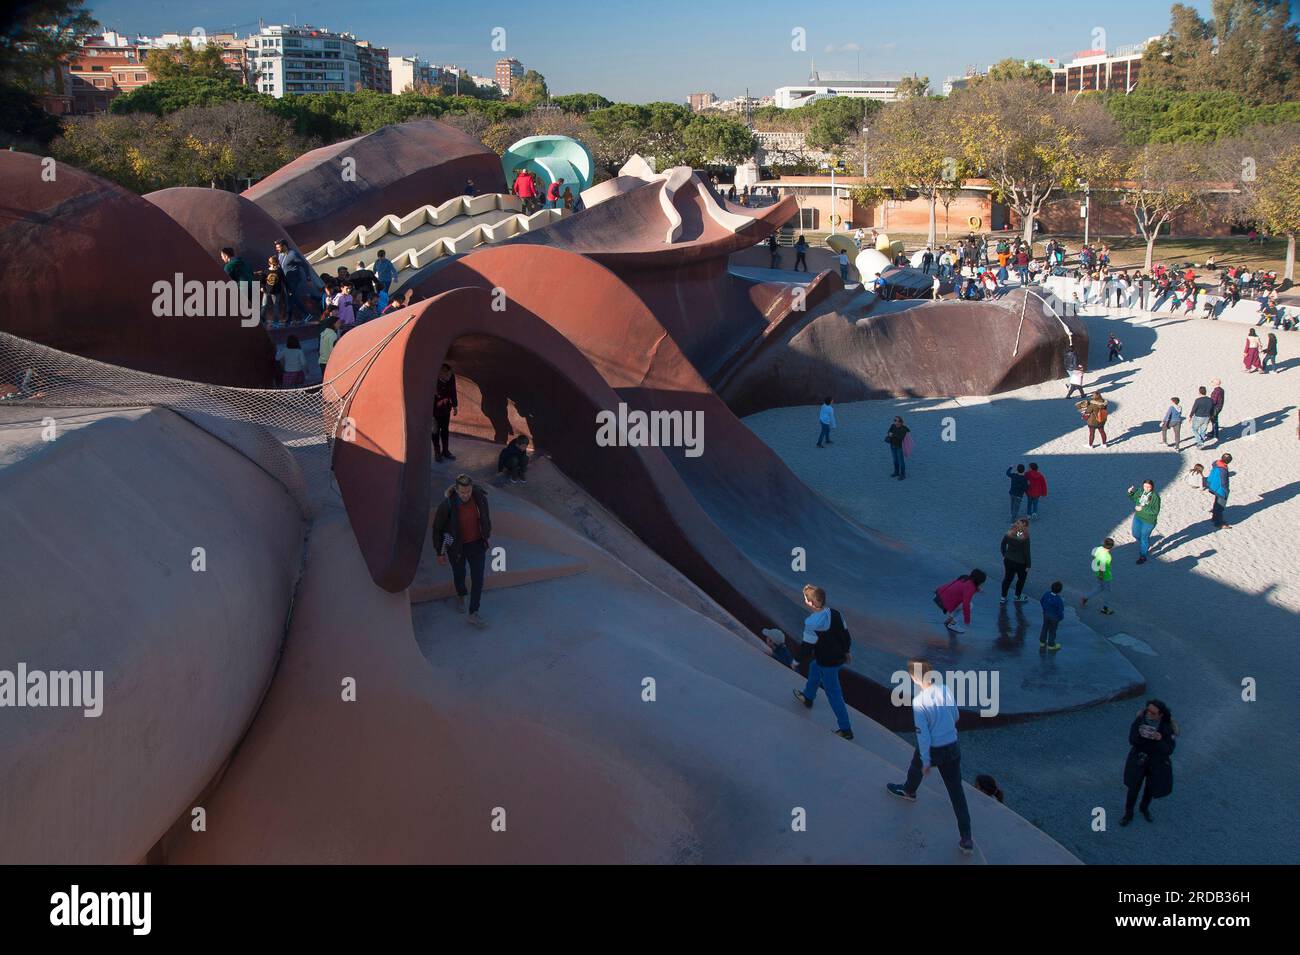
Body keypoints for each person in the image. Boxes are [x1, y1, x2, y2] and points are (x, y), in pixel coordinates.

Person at [886, 657, 974, 856]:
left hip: (934, 748)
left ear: (913, 678)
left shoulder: (919, 703)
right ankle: (966, 837)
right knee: (956, 790)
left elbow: (922, 735)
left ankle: (909, 791)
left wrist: (927, 760)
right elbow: (956, 715)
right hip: (952, 746)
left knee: (916, 765)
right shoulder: (945, 689)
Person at [790, 584, 854, 740]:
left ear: (810, 603)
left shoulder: (812, 623)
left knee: (833, 692)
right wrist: (847, 652)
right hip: (837, 657)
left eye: (805, 598)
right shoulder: (835, 613)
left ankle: (846, 729)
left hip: (828, 662)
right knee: (814, 667)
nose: (805, 600)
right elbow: (846, 635)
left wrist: (796, 661)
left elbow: (807, 647)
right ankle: (808, 697)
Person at [431, 474, 491, 626]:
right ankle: (461, 594)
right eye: (463, 492)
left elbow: (485, 517)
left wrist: (486, 533)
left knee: (478, 578)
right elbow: (437, 529)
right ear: (456, 490)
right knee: (459, 574)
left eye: (468, 491)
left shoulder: (480, 499)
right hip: (457, 548)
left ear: (472, 489)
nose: (466, 495)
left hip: (477, 545)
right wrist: (440, 552)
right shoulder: (447, 505)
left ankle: (474, 612)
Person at [1119, 700, 1178, 826]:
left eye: (1153, 713)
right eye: (1147, 711)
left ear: (1160, 715)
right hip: (1139, 760)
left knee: (1150, 789)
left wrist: (1159, 739)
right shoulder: (1140, 721)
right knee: (1133, 788)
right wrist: (1141, 735)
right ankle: (1128, 814)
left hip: (1156, 763)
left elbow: (1169, 750)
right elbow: (1132, 740)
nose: (1148, 714)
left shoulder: (1167, 727)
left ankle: (1144, 808)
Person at [934, 569, 986, 635]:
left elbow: (958, 586)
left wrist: (977, 589)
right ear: (979, 581)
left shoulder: (965, 577)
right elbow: (966, 604)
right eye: (982, 582)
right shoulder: (970, 587)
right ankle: (953, 624)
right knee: (970, 605)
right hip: (943, 602)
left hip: (939, 595)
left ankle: (949, 620)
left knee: (959, 602)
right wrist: (967, 620)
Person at [275, 239, 312, 324]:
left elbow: (305, 265)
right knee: (292, 298)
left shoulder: (293, 254)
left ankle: (289, 319)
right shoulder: (280, 255)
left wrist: (308, 278)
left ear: (284, 246)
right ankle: (306, 315)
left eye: (278, 247)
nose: (277, 249)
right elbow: (281, 266)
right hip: (286, 281)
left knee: (290, 298)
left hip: (294, 280)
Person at [1127, 480, 1161, 564]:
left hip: (1149, 521)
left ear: (1152, 487)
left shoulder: (1155, 497)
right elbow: (1134, 498)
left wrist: (1143, 509)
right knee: (1135, 534)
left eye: (1149, 487)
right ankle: (1144, 543)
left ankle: (1143, 555)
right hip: (1138, 517)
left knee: (1144, 537)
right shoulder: (1140, 491)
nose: (1146, 488)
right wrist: (1130, 493)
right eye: (1145, 486)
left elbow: (1155, 511)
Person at [999, 518, 1031, 604]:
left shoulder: (1009, 533)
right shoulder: (1024, 537)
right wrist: (1028, 565)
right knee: (1021, 579)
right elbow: (1026, 552)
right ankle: (1017, 596)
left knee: (1007, 578)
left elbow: (1003, 544)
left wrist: (1004, 554)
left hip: (1008, 560)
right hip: (1021, 563)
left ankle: (1003, 597)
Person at [1080, 537, 1115, 615]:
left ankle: (1086, 598)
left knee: (1099, 587)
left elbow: (1094, 554)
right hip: (1105, 576)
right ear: (1111, 547)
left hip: (1097, 573)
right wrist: (1101, 575)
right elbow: (1102, 567)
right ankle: (1105, 608)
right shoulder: (1106, 556)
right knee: (1108, 592)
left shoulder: (1099, 549)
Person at [432, 363, 458, 463]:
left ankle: (445, 451)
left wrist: (455, 405)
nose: (448, 377)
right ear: (439, 373)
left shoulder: (451, 377)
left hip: (446, 408)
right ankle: (437, 452)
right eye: (446, 375)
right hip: (434, 410)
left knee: (445, 430)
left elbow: (453, 391)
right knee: (435, 431)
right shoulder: (434, 378)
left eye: (449, 375)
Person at [1206, 452, 1233, 529]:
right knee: (1220, 506)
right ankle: (1218, 523)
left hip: (1214, 486)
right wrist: (1226, 491)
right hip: (1220, 489)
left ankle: (1214, 518)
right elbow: (1223, 482)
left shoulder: (1217, 464)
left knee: (1216, 503)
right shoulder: (1223, 469)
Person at [1039, 581, 1065, 652]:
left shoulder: (1046, 594)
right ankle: (1051, 644)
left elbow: (1041, 601)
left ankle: (1042, 642)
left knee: (1045, 627)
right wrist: (1060, 617)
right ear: (1060, 590)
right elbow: (1060, 611)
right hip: (1054, 618)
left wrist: (1045, 609)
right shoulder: (1058, 599)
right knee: (1052, 630)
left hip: (1046, 614)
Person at [317, 314, 339, 381]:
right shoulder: (332, 334)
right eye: (338, 323)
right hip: (328, 363)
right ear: (333, 324)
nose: (339, 324)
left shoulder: (324, 332)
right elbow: (333, 350)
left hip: (322, 361)